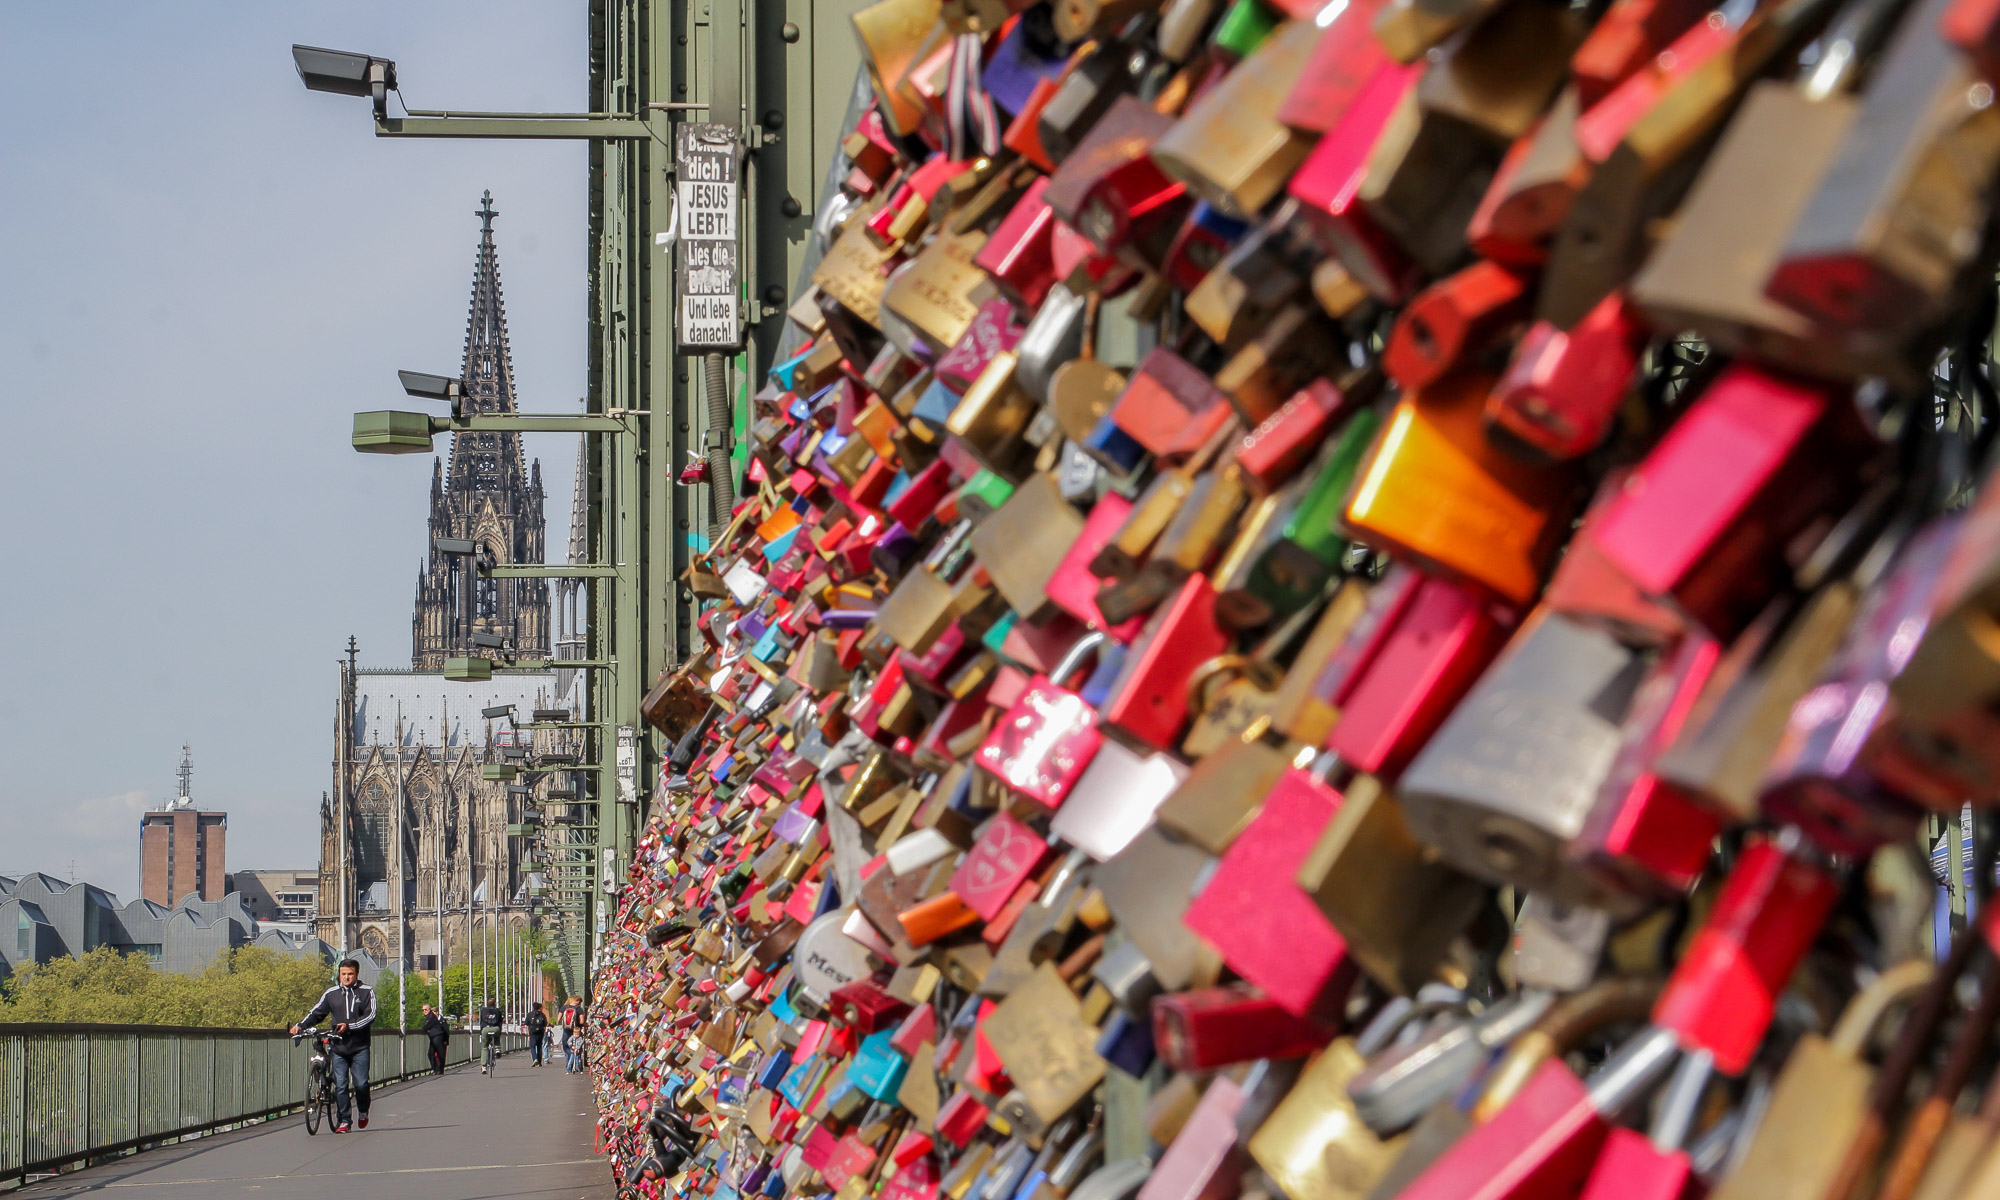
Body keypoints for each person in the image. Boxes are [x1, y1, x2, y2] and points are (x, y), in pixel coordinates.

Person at [290, 960, 376, 1133]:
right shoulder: (332, 993)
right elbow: (317, 1012)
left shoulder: (367, 992)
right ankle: (344, 1120)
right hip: (338, 1047)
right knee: (341, 1085)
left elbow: (371, 1015)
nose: (346, 977)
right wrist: (300, 1026)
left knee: (361, 1084)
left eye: (350, 974)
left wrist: (350, 1025)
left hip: (359, 1047)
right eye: (343, 973)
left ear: (357, 974)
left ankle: (363, 1110)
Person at [420, 1004, 449, 1075]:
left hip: (437, 1037)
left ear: (429, 1010)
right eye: (423, 1010)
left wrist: (446, 1040)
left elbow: (425, 1026)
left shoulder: (431, 1017)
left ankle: (439, 1070)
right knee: (431, 1054)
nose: (424, 1011)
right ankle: (436, 1069)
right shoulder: (429, 1017)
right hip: (433, 1037)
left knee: (439, 1053)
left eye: (425, 1009)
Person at [559, 995, 584, 1073]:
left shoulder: (564, 1008)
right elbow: (582, 1021)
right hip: (576, 1030)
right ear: (577, 1001)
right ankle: (575, 1065)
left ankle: (568, 1066)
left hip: (566, 1030)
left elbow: (558, 1019)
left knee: (567, 1047)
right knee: (577, 1047)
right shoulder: (579, 1009)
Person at [478, 1001, 503, 1073]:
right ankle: (497, 1049)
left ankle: (483, 1067)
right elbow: (500, 1022)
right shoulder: (497, 1011)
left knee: (484, 1047)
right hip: (495, 1028)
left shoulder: (483, 1011)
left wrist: (481, 1033)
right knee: (497, 1035)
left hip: (485, 1029)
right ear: (494, 1004)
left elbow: (481, 1022)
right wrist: (500, 1031)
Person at [527, 1001, 549, 1067]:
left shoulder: (529, 1014)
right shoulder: (542, 1014)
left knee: (532, 1046)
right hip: (540, 1032)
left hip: (532, 1032)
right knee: (539, 1046)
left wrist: (528, 1033)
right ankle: (539, 1062)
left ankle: (535, 1059)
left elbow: (527, 1023)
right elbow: (545, 1023)